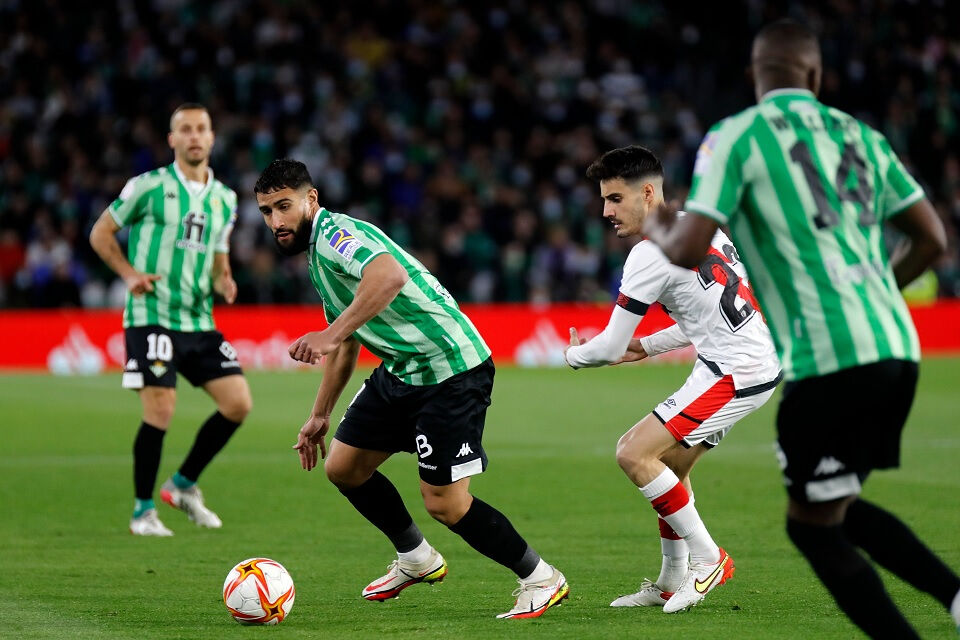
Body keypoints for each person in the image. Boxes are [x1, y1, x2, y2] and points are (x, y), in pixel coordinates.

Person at [644, 19, 960, 638]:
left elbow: (686, 247)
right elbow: (932, 238)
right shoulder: (862, 135)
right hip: (897, 349)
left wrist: (654, 221)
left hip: (828, 360)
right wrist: (875, 295)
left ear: (753, 76)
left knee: (811, 525)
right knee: (832, 508)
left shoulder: (736, 136)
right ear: (815, 74)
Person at [253, 158, 568, 619]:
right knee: (344, 467)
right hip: (403, 370)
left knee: (446, 504)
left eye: (284, 206)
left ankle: (541, 578)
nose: (276, 221)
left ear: (311, 199)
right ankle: (417, 558)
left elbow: (389, 276)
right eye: (266, 211)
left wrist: (330, 334)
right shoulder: (316, 257)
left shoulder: (336, 235)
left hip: (449, 369)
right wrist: (320, 413)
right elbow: (345, 343)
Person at [564, 145, 781, 613]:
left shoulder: (649, 255)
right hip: (743, 359)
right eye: (604, 200)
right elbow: (706, 314)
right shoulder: (699, 226)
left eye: (615, 199)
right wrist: (646, 347)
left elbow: (607, 347)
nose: (606, 212)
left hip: (736, 370)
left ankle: (709, 559)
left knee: (633, 452)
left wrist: (574, 355)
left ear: (647, 193)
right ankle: (670, 580)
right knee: (669, 466)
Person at [89, 103, 252, 536]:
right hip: (152, 315)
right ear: (172, 139)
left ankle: (181, 485)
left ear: (212, 137)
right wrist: (129, 274)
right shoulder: (147, 187)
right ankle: (143, 512)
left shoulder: (225, 199)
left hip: (199, 320)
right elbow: (100, 232)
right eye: (186, 129)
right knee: (161, 408)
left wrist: (225, 280)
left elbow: (218, 256)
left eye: (201, 128)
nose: (195, 136)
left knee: (238, 403)